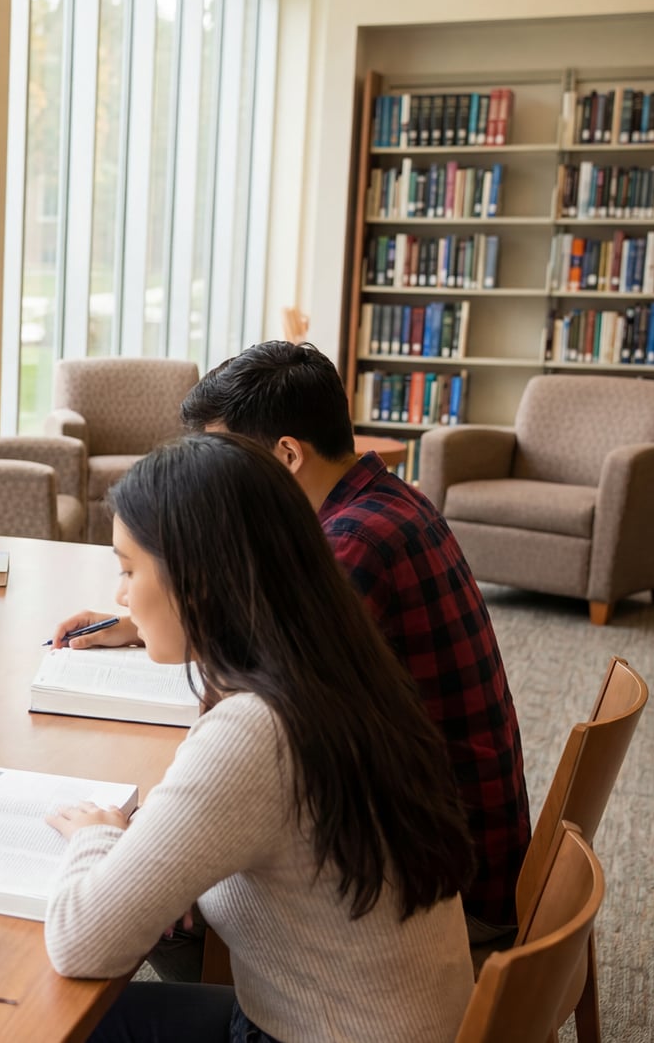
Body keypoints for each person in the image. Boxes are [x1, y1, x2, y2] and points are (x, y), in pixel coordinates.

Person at [52, 339, 528, 945]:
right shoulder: (382, 504)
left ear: (286, 456)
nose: (217, 477)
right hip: (442, 848)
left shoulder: (348, 550)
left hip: (446, 887)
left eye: (226, 455)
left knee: (163, 909)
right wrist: (151, 614)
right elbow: (285, 637)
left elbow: (260, 697)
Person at [45, 433, 476, 1041]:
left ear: (197, 580)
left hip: (321, 1032)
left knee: (33, 1020)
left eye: (127, 568)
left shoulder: (255, 730)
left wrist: (97, 839)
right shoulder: (336, 660)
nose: (119, 594)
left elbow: (79, 942)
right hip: (389, 1018)